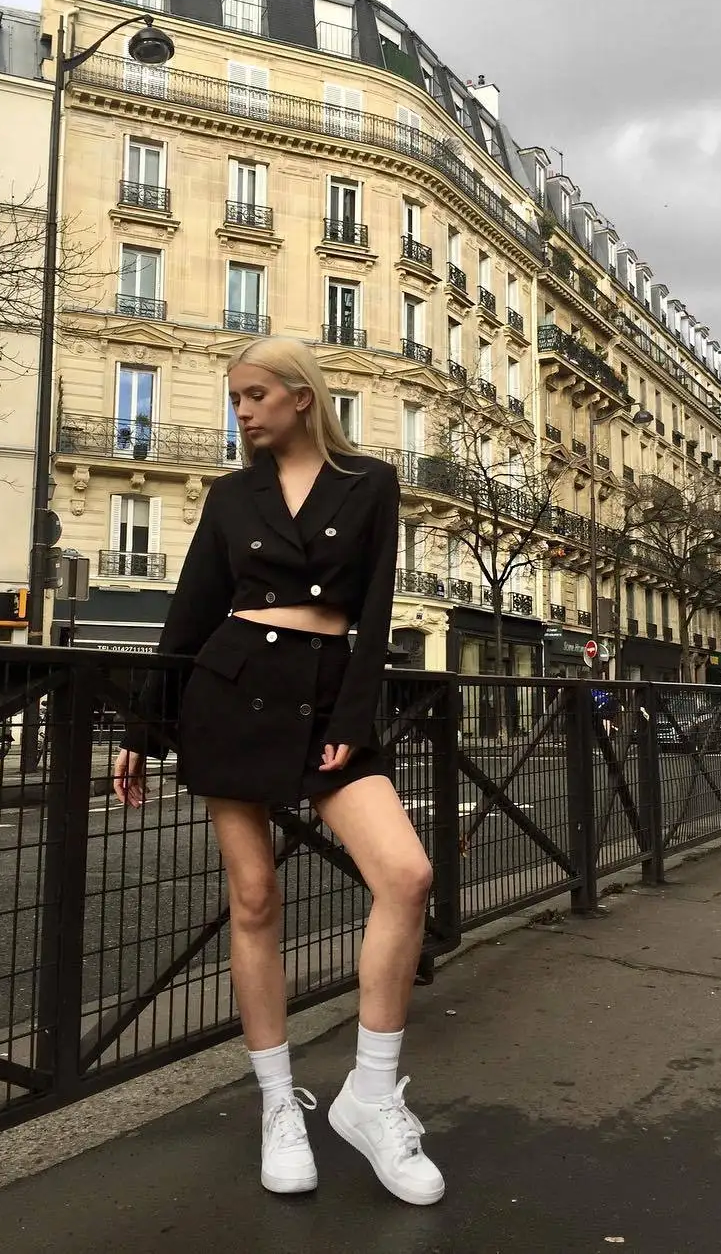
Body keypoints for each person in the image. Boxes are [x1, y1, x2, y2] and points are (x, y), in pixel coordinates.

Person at [112, 337, 443, 1206]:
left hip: (328, 701)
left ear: (303, 395)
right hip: (232, 695)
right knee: (255, 896)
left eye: (255, 394)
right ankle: (277, 1104)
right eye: (236, 398)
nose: (242, 411)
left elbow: (375, 609)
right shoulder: (232, 495)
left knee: (406, 874)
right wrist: (144, 730)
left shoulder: (369, 481)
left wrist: (354, 718)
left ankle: (371, 1095)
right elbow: (190, 611)